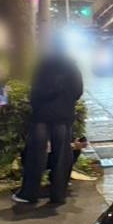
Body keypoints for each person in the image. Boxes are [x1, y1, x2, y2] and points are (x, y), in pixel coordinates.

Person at [13, 47, 83, 205]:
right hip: (63, 117)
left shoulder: (42, 66)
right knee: (62, 156)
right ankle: (58, 195)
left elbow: (35, 92)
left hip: (42, 116)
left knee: (36, 155)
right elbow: (78, 91)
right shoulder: (72, 67)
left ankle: (29, 194)